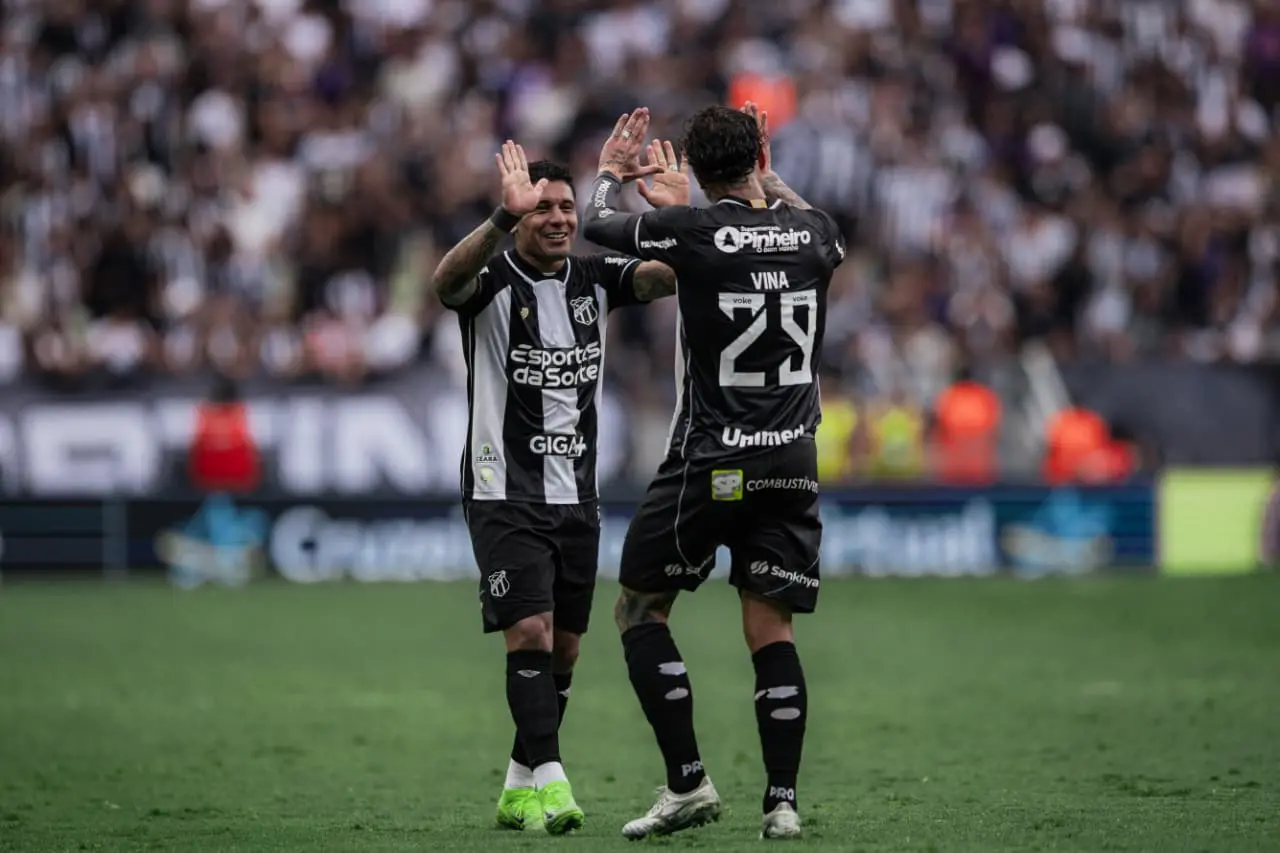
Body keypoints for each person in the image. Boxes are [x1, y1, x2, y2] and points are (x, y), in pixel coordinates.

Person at [582, 104, 846, 840]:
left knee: (639, 608)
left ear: (695, 172)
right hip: (794, 459)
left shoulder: (694, 230)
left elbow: (600, 224)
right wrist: (765, 173)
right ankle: (783, 801)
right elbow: (802, 220)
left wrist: (609, 172)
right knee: (772, 628)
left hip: (713, 461)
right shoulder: (816, 231)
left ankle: (689, 783)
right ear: (762, 154)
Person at [430, 140, 675, 834]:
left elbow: (666, 276)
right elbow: (444, 284)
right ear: (521, 214)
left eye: (567, 206)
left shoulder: (595, 280)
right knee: (529, 631)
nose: (560, 218)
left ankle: (516, 784)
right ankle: (556, 780)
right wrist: (498, 220)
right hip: (502, 489)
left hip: (579, 497)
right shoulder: (491, 281)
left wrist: (673, 215)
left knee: (564, 647)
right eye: (544, 208)